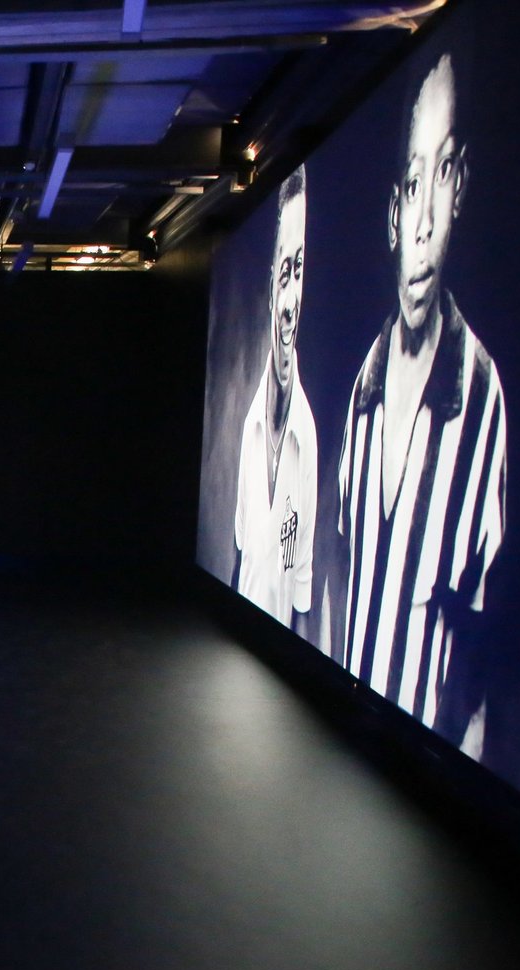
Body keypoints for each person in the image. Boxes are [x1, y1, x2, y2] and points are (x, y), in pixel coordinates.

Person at [336, 51, 506, 760]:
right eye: (413, 181)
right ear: (393, 209)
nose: (427, 219)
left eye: (443, 173)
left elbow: (477, 665)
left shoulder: (481, 398)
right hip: (339, 739)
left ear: (461, 185)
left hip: (415, 766)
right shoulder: (363, 388)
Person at [233, 165, 316, 636]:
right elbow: (242, 548)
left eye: (299, 271)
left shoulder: (308, 439)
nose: (290, 301)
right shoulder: (249, 428)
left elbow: (301, 590)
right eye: (285, 273)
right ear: (269, 286)